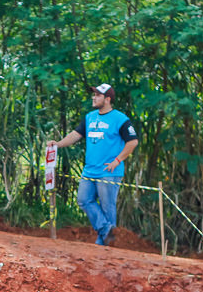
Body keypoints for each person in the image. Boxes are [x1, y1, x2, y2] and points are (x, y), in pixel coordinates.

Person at [47, 83, 138, 246]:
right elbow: (75, 135)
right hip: (89, 171)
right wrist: (58, 144)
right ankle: (106, 231)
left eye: (97, 95)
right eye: (93, 94)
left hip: (109, 171)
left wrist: (117, 161)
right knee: (83, 200)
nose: (93, 97)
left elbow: (132, 142)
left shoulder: (120, 119)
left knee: (107, 206)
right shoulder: (90, 117)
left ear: (107, 99)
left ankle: (105, 243)